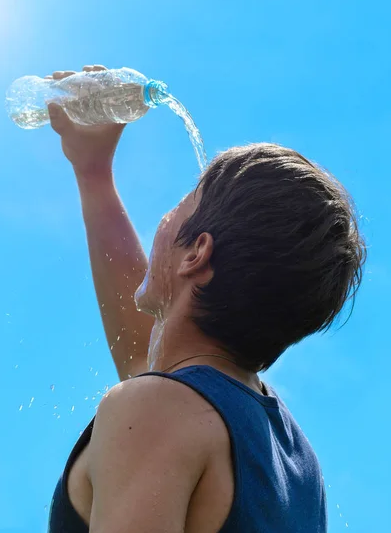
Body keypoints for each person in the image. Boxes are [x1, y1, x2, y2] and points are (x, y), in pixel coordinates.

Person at [46, 65, 366, 533]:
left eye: (180, 205)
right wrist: (94, 175)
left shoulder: (158, 410)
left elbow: (155, 389)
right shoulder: (293, 461)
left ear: (197, 252)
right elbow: (147, 360)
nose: (165, 216)